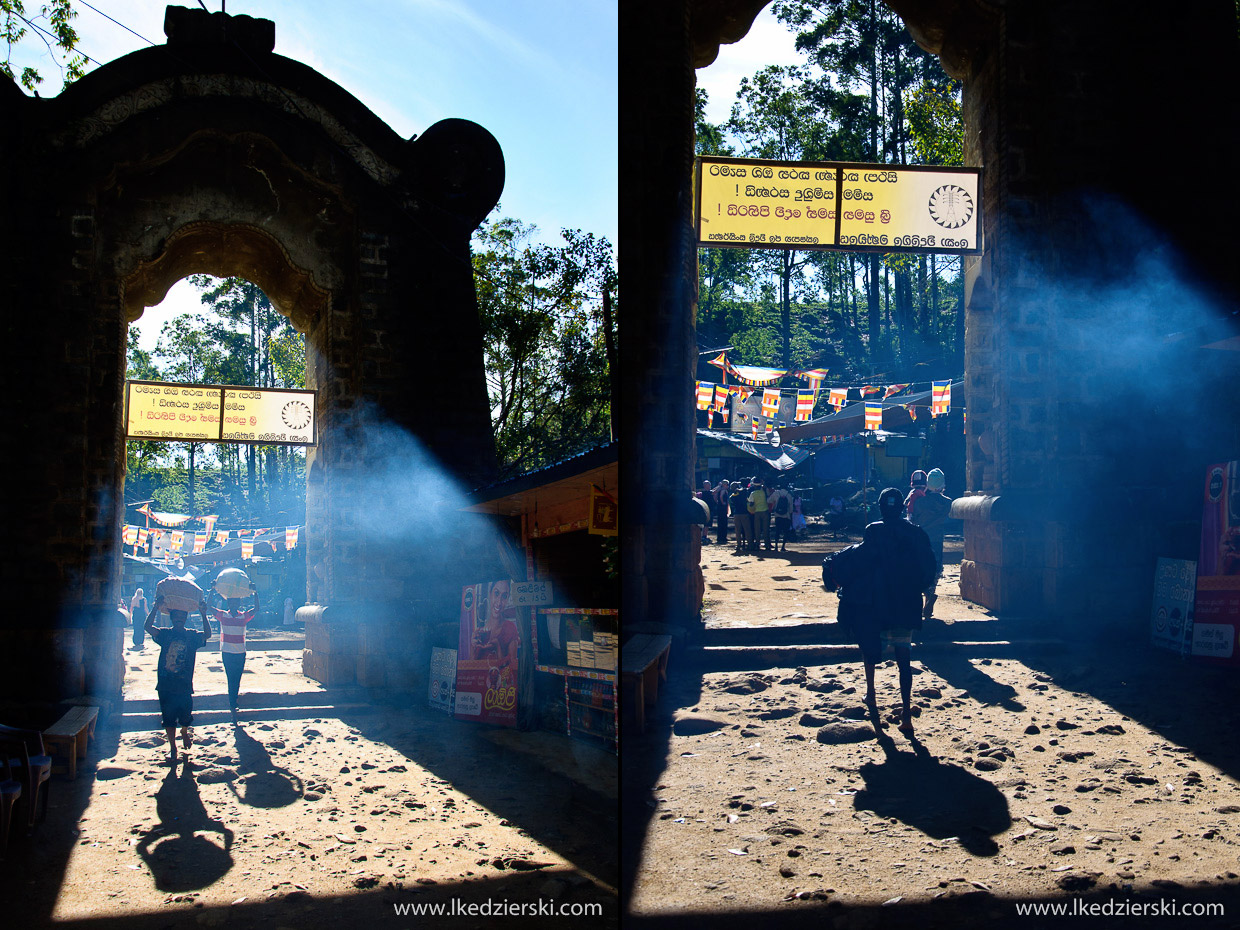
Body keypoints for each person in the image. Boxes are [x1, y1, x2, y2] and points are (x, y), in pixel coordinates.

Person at [824, 488, 935, 734]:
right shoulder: (916, 533)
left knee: (870, 648)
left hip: (876, 604)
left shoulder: (873, 531)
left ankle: (871, 694)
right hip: (905, 604)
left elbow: (861, 563)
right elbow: (929, 568)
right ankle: (906, 714)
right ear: (903, 508)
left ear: (881, 507)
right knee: (904, 659)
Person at [146, 593, 212, 763]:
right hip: (165, 684)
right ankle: (172, 748)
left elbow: (208, 635)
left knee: (184, 716)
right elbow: (148, 627)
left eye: (182, 616)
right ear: (172, 618)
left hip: (183, 685)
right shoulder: (165, 635)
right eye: (176, 617)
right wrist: (155, 607)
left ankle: (184, 731)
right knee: (168, 718)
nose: (179, 619)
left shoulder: (191, 636)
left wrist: (204, 614)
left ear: (186, 619)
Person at [210, 582, 259, 724]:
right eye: (231, 602)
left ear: (238, 604)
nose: (233, 605)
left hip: (240, 653)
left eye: (236, 603)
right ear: (228, 603)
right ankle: (233, 703)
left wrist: (255, 592)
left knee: (236, 678)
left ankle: (233, 702)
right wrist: (212, 590)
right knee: (231, 678)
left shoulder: (243, 616)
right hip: (227, 652)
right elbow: (208, 607)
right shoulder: (223, 615)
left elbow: (257, 608)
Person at [908, 467, 953, 619]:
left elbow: (912, 518)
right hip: (937, 541)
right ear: (942, 485)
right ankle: (930, 596)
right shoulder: (948, 503)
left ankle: (920, 600)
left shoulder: (920, 503)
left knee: (919, 568)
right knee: (935, 569)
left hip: (921, 540)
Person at [472, 579, 519, 690]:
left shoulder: (510, 628)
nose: (499, 601)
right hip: (479, 689)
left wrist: (498, 647)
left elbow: (512, 670)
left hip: (500, 694)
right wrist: (473, 648)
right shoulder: (479, 632)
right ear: (490, 594)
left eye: (504, 596)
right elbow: (471, 670)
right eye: (496, 593)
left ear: (507, 600)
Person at [748, 476, 771, 554]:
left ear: (754, 485)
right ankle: (767, 545)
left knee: (757, 529)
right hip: (765, 511)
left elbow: (751, 504)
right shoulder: (764, 491)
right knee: (766, 529)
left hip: (757, 512)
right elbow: (769, 497)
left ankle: (757, 544)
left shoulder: (753, 493)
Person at [768, 481, 792, 552]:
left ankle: (776, 546)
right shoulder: (789, 495)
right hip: (786, 516)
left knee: (777, 531)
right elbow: (791, 508)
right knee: (785, 532)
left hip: (777, 515)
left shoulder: (776, 493)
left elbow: (769, 501)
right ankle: (783, 547)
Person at [729, 480, 751, 555]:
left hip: (736, 514)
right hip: (744, 513)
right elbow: (745, 491)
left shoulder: (732, 496)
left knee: (738, 531)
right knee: (747, 529)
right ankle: (749, 544)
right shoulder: (743, 492)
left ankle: (739, 545)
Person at [713, 479, 731, 545]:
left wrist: (717, 502)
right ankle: (723, 537)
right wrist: (723, 502)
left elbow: (714, 495)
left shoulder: (719, 490)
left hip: (719, 507)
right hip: (723, 507)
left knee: (720, 522)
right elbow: (721, 496)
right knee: (724, 522)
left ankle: (720, 537)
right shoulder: (723, 490)